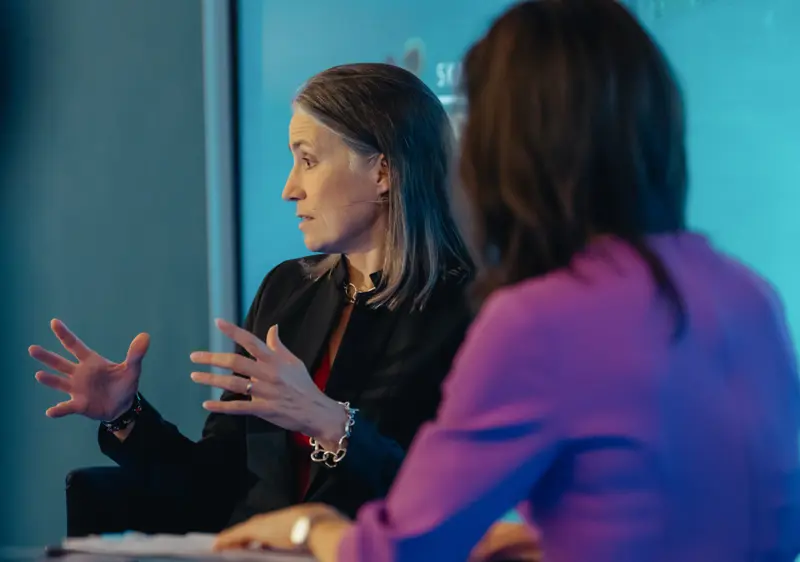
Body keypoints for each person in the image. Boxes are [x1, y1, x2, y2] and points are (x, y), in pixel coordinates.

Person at [211, 1, 800, 561]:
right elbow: (771, 520)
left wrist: (309, 527)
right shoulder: (746, 294)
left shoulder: (537, 320)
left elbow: (403, 549)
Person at [29, 63, 476, 533]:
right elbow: (214, 489)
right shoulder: (288, 290)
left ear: (383, 171)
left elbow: (459, 499)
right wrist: (126, 415)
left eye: (308, 160)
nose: (289, 189)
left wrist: (334, 424)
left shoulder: (470, 312)